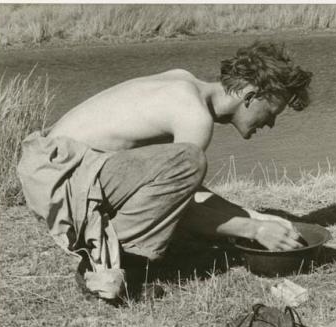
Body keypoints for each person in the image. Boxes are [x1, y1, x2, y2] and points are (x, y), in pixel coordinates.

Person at [18, 41, 313, 302]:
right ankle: (105, 266)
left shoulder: (184, 80)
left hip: (52, 165)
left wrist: (256, 216)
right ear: (250, 96)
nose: (271, 124)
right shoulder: (194, 115)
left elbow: (179, 191)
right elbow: (185, 200)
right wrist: (255, 229)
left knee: (184, 169)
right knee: (189, 161)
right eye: (272, 113)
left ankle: (117, 248)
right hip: (62, 175)